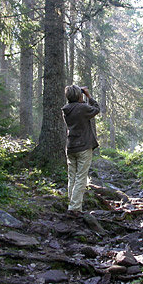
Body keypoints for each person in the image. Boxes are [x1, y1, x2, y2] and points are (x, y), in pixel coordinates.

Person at [62, 84, 100, 214]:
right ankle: (74, 208)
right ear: (79, 96)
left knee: (72, 176)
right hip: (83, 146)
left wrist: (80, 97)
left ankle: (72, 203)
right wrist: (88, 96)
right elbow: (96, 109)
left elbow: (79, 108)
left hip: (71, 146)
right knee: (81, 178)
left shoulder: (66, 109)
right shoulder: (82, 108)